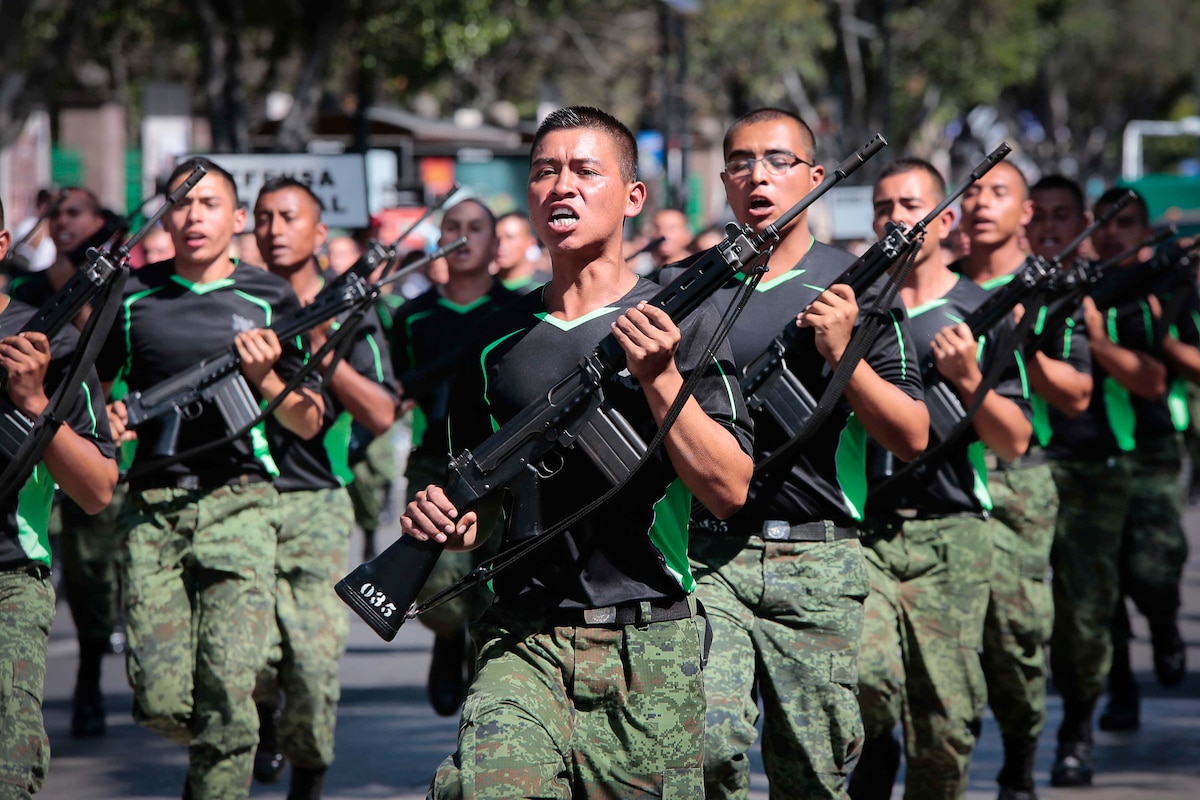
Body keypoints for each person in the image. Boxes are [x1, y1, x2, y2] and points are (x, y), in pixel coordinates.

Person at [401, 105, 753, 798]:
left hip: (648, 645)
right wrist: (445, 522)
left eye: (586, 171)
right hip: (520, 640)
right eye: (545, 171)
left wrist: (660, 379)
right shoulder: (493, 339)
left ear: (632, 197)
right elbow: (472, 502)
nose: (562, 185)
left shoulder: (687, 320)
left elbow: (729, 487)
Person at [659, 107, 928, 800]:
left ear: (813, 177)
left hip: (816, 557)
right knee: (707, 748)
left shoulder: (858, 283)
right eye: (743, 162)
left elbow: (911, 433)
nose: (759, 176)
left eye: (779, 161)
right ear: (723, 180)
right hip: (706, 555)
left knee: (811, 773)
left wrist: (844, 354)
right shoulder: (683, 287)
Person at [98, 157, 325, 800]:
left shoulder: (269, 298)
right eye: (180, 204)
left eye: (208, 204)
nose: (193, 217)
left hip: (241, 504)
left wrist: (265, 377)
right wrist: (110, 418)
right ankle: (244, 729)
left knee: (227, 691)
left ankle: (238, 732)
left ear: (235, 217)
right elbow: (93, 392)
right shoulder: (134, 296)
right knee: (160, 698)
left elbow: (308, 421)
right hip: (152, 508)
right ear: (164, 216)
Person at [852, 158, 1033, 800]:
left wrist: (966, 376)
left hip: (950, 533)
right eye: (882, 208)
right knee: (864, 679)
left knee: (944, 725)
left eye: (909, 205)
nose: (894, 220)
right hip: (864, 533)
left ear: (944, 218)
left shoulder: (981, 307)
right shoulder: (853, 309)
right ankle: (875, 748)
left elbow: (1014, 439)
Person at [250, 177, 397, 799]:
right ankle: (262, 720)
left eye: (288, 217)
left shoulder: (349, 313)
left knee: (310, 661)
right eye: (262, 217)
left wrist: (322, 347)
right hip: (241, 493)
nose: (274, 229)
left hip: (315, 497)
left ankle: (309, 768)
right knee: (249, 649)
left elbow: (381, 412)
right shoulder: (242, 300)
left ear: (319, 234)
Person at [1045, 187, 1193, 786]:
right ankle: (1110, 698)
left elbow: (1159, 377)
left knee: (1151, 572)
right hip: (1075, 461)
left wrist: (1101, 341)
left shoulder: (1161, 288)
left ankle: (1161, 623)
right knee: (1091, 602)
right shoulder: (1059, 287)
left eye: (1123, 223)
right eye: (1103, 223)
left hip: (1147, 450)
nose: (1111, 233)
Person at [957, 167, 1093, 800]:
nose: (981, 204)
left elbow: (1078, 393)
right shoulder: (934, 280)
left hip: (1016, 479)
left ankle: (1019, 763)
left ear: (1028, 212)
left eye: (998, 193)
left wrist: (1022, 340)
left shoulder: (1052, 288)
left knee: (1015, 639)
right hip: (936, 478)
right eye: (973, 192)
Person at [0, 196, 118, 797]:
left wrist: (34, 404)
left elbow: (97, 489)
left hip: (9, 576)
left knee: (8, 769)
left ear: (0, 244)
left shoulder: (47, 343)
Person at [390, 198, 517, 717]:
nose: (463, 238)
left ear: (494, 243)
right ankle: (447, 640)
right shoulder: (412, 316)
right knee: (437, 585)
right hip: (432, 464)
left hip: (499, 465)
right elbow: (398, 386)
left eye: (475, 228)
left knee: (492, 585)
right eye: (453, 229)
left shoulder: (517, 308)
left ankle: (485, 678)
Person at [491, 211, 550, 293]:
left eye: (510, 237)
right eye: (497, 239)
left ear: (530, 242)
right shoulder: (483, 288)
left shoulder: (548, 287)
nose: (501, 244)